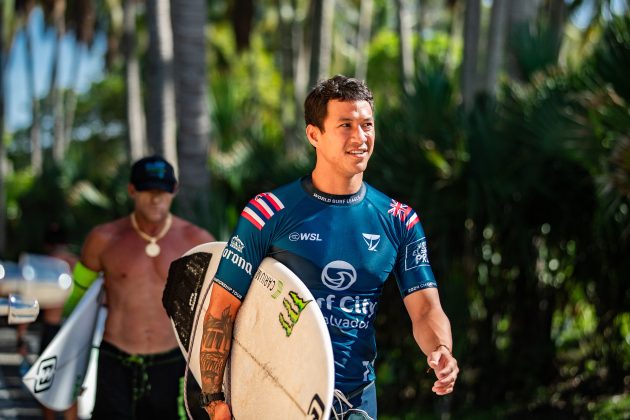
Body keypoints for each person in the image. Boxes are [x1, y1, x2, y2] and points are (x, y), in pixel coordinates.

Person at [198, 75, 459, 420]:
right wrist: (213, 397)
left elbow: (425, 309)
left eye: (367, 125)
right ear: (314, 135)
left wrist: (440, 349)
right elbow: (221, 309)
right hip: (278, 395)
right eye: (346, 125)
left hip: (356, 399)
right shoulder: (269, 212)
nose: (361, 137)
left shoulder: (399, 220)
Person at [62, 155, 215, 420]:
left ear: (174, 190)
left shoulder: (196, 241)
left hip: (171, 364)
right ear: (132, 190)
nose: (156, 198)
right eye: (148, 190)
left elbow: (220, 303)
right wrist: (67, 365)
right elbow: (76, 301)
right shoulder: (103, 239)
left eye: (163, 190)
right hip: (115, 361)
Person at [41, 223, 80, 420]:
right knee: (72, 385)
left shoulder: (45, 263)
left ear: (47, 243)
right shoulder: (76, 263)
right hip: (72, 329)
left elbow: (32, 297)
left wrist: (21, 336)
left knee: (46, 384)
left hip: (51, 327)